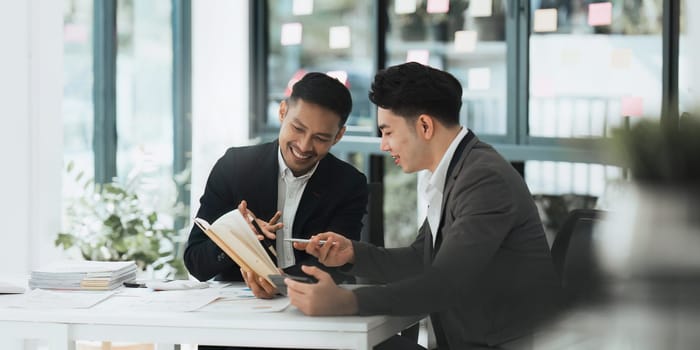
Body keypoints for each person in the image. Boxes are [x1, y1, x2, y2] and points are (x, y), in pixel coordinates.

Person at [285, 62, 562, 349]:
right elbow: (422, 260)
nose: (383, 145)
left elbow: (444, 283)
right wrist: (352, 254)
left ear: (425, 126)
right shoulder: (455, 171)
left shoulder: (484, 179)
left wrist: (346, 301)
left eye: (388, 132)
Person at [184, 72, 368, 298]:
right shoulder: (234, 167)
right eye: (298, 129)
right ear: (282, 112)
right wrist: (235, 236)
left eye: (320, 138)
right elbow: (196, 263)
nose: (304, 145)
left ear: (338, 136)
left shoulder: (349, 183)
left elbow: (338, 266)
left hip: (315, 306)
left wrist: (284, 283)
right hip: (238, 307)